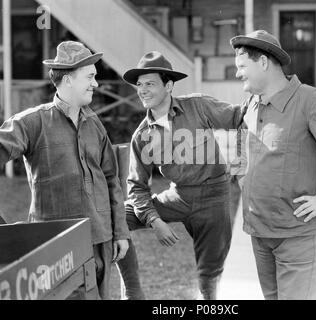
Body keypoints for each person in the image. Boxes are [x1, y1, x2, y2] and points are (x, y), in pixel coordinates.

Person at [230, 30, 316, 300]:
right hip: (261, 235)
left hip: (301, 239)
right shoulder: (250, 106)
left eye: (242, 66)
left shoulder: (309, 100)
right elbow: (240, 148)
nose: (237, 73)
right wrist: (241, 174)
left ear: (264, 62)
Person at [0, 41, 130, 300]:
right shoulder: (31, 122)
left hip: (101, 241)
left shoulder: (95, 124)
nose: (96, 83)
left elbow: (111, 180)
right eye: (90, 76)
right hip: (58, 253)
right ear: (68, 78)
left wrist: (120, 233)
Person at [116, 51, 245, 300]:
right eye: (139, 85)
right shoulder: (142, 136)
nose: (142, 90)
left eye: (150, 84)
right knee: (117, 216)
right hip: (178, 197)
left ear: (169, 85)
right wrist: (155, 220)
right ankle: (133, 294)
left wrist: (244, 162)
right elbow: (137, 187)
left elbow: (240, 118)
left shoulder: (198, 106)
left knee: (209, 274)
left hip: (213, 198)